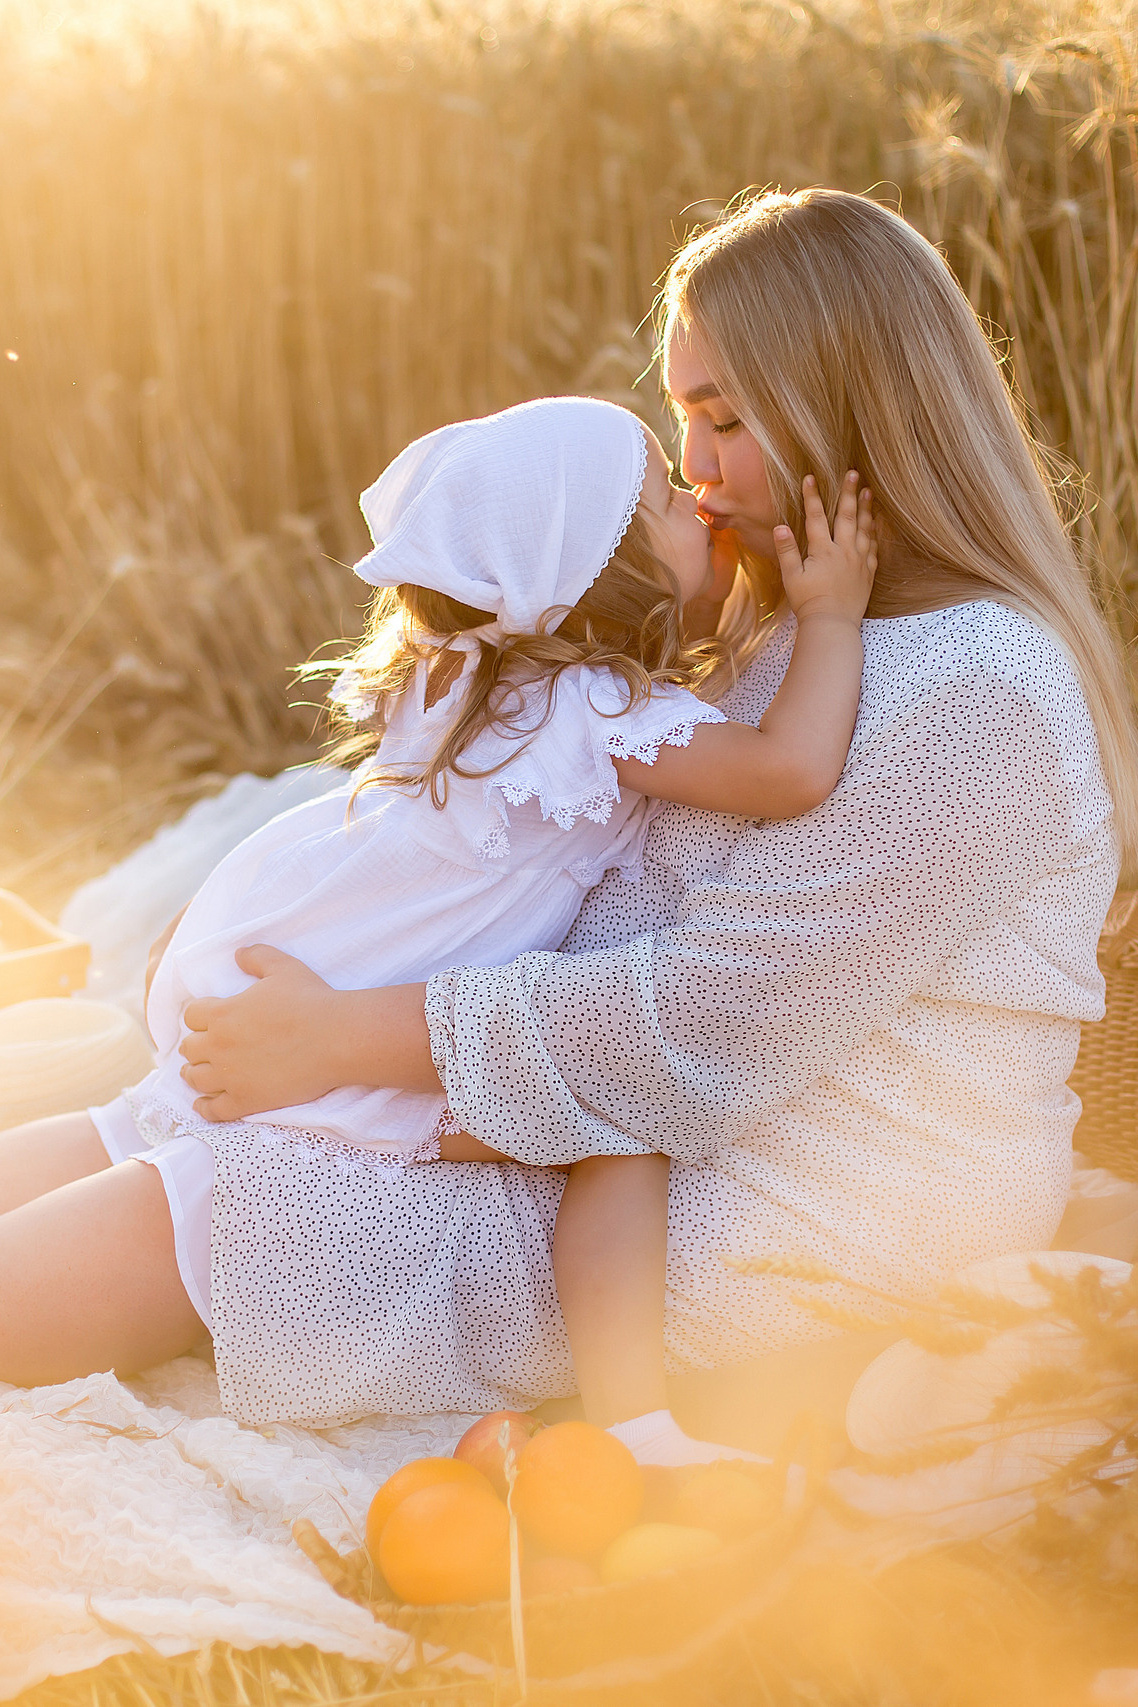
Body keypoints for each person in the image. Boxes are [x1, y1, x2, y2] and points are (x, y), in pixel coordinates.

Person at [0, 189, 1132, 1466]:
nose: (694, 470)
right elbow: (553, 820)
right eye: (680, 421)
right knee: (169, 1121)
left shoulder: (972, 688)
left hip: (786, 1218)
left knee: (242, 1196)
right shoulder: (781, 631)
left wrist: (344, 1038)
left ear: (854, 415)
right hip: (622, 1136)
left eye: (724, 420)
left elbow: (722, 1018)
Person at [0, 393, 874, 1456]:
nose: (695, 502)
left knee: (139, 1130)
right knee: (616, 1137)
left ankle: (638, 1423)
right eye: (658, 502)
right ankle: (636, 1423)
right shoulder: (590, 709)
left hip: (276, 940)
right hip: (341, 997)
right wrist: (830, 616)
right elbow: (787, 772)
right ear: (594, 568)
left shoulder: (478, 671)